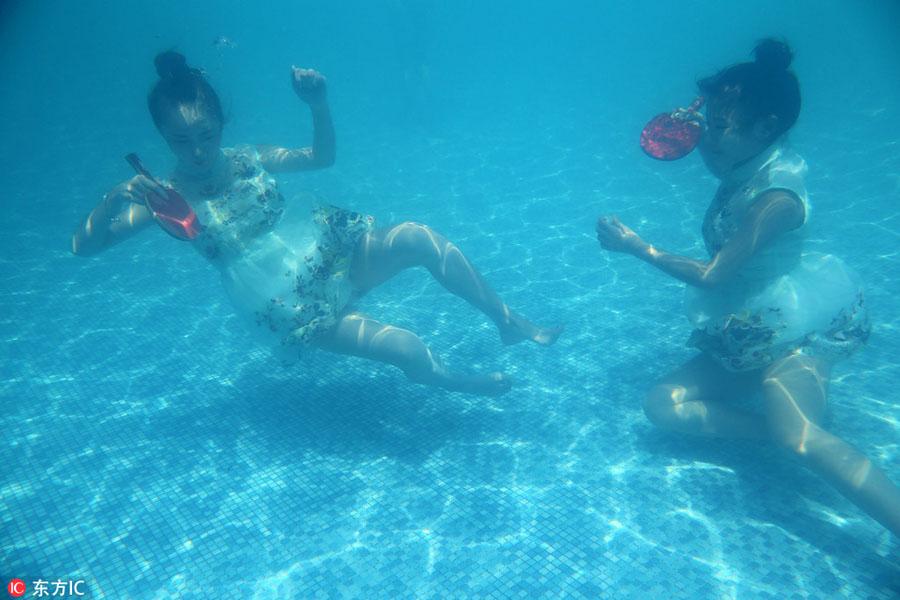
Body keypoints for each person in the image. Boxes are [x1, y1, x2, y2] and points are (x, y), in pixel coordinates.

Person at [73, 51, 562, 396]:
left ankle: (508, 322)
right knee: (409, 350)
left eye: (206, 133)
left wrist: (318, 105)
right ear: (161, 137)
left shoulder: (250, 157)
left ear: (222, 123)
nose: (197, 150)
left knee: (418, 236)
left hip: (329, 255)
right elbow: (85, 247)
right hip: (287, 306)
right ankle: (457, 382)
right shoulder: (164, 199)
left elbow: (321, 158)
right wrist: (112, 199)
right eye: (181, 140)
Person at [595, 39, 900, 536]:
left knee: (798, 438)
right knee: (662, 406)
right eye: (707, 121)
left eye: (717, 126)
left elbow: (715, 275)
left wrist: (637, 247)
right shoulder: (749, 156)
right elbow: (710, 147)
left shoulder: (777, 196)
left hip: (803, 324)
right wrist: (691, 121)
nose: (705, 139)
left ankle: (800, 430)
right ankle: (776, 424)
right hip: (759, 323)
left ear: (767, 128)